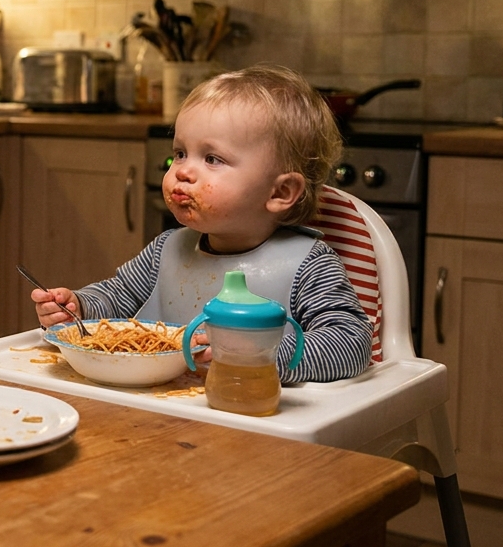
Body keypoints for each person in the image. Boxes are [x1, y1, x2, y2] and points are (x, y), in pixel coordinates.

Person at [30, 64, 371, 383]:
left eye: (212, 158)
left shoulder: (308, 265)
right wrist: (77, 307)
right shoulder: (167, 250)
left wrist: (258, 356)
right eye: (180, 153)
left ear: (280, 192)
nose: (182, 171)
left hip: (251, 410)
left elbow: (350, 343)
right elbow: (118, 298)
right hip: (164, 404)